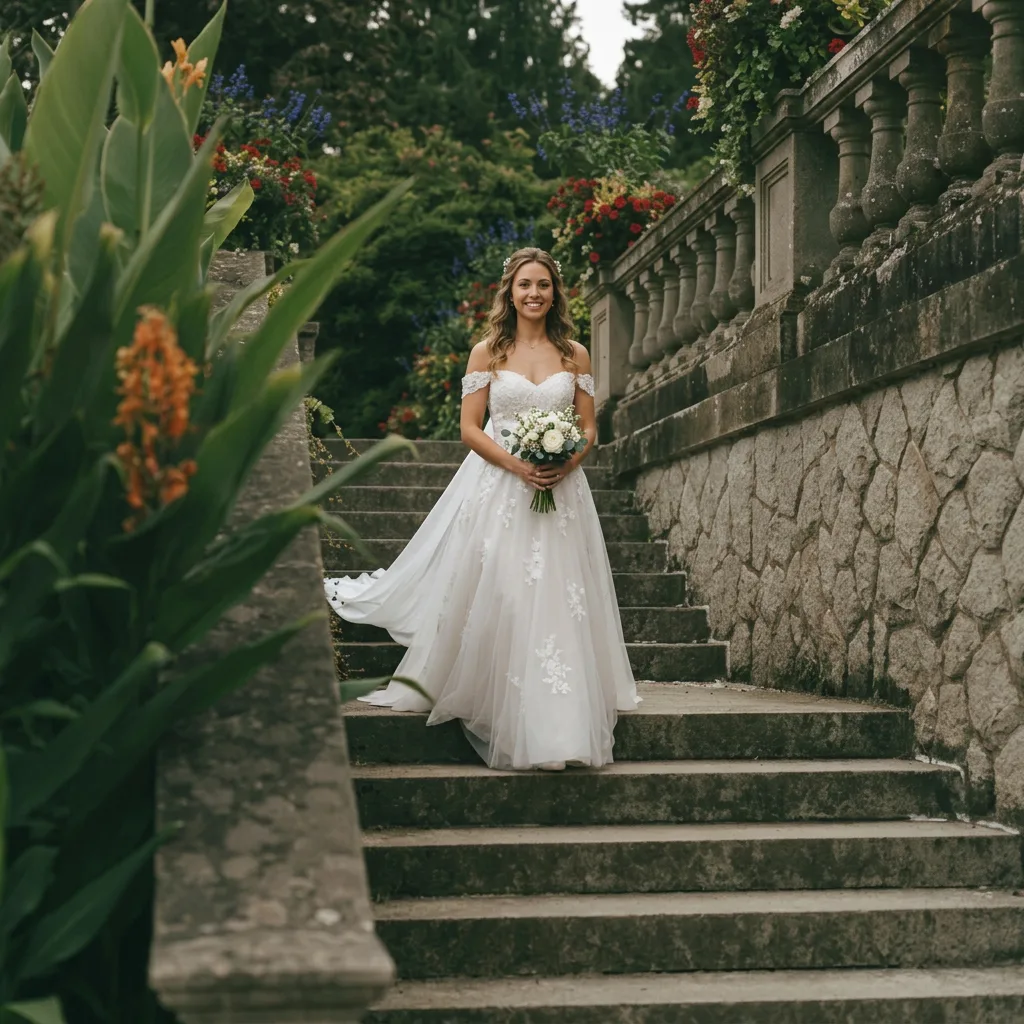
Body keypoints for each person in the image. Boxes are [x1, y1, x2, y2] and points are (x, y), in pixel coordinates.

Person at [324, 247, 639, 770]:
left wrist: (565, 462)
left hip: (562, 490)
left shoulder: (575, 354)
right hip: (501, 486)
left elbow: (588, 427)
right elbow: (470, 429)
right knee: (508, 592)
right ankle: (502, 696)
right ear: (509, 293)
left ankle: (560, 712)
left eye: (543, 284)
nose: (534, 293)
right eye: (525, 285)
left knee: (561, 594)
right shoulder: (487, 351)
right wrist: (520, 465)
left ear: (555, 292)